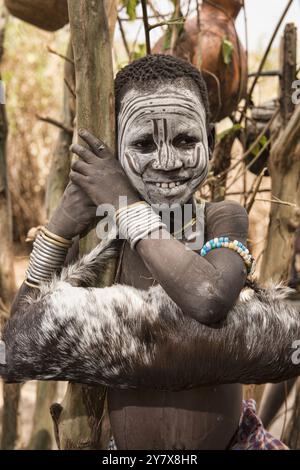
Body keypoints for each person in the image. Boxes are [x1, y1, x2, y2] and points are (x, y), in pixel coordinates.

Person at [1, 55, 297, 450]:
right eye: (143, 143)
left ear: (210, 138)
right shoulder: (101, 242)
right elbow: (13, 351)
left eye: (185, 140)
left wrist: (123, 204)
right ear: (118, 149)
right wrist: (59, 229)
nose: (168, 162)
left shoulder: (221, 218)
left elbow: (208, 299)